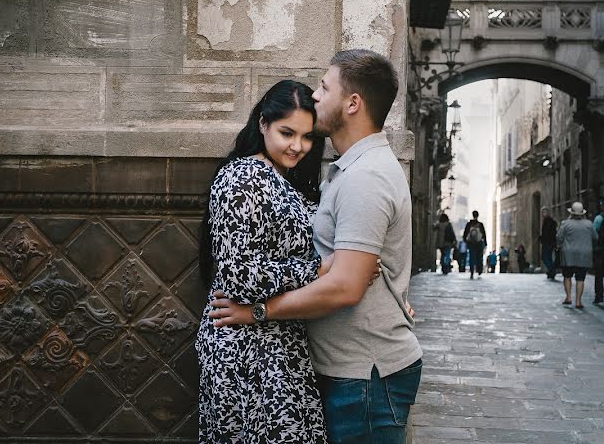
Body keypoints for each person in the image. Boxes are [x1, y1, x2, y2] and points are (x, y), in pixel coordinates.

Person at [209, 49, 423, 444]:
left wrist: (257, 311)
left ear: (352, 103)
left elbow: (344, 285)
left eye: (325, 87)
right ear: (264, 125)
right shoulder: (344, 171)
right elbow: (325, 263)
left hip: (363, 373)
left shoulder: (365, 177)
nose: (317, 95)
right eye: (287, 133)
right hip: (317, 365)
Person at [196, 80, 329, 443]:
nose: (298, 146)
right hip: (243, 348)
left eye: (307, 137)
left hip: (278, 339)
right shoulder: (243, 176)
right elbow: (239, 276)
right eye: (287, 133)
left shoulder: (284, 179)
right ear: (263, 123)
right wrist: (316, 271)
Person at [556, 202, 596, 309]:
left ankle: (568, 297)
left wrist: (560, 245)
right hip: (584, 255)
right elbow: (595, 237)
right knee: (580, 278)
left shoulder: (565, 223)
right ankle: (578, 301)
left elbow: (559, 237)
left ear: (571, 213)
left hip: (568, 254)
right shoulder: (589, 224)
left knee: (567, 276)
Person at [463, 210, 487, 279]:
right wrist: (485, 243)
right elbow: (484, 234)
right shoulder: (480, 224)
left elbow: (465, 234)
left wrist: (466, 241)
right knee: (479, 257)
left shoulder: (469, 224)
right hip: (479, 243)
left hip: (471, 243)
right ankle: (479, 270)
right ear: (478, 215)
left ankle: (472, 271)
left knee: (471, 257)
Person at [540, 208, 558, 280]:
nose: (543, 214)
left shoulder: (549, 221)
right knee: (549, 257)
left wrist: (542, 238)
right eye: (542, 212)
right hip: (550, 242)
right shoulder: (548, 221)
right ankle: (551, 272)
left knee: (544, 257)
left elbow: (548, 233)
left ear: (548, 213)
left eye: (545, 212)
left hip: (548, 242)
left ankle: (551, 270)